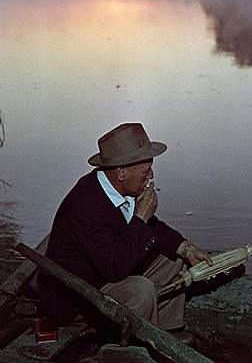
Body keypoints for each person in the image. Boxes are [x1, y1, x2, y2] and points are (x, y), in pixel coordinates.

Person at [37, 123, 212, 341]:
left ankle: (167, 333)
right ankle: (144, 346)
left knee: (174, 258)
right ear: (121, 172)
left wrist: (186, 248)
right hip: (77, 295)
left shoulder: (120, 188)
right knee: (141, 289)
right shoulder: (84, 206)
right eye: (146, 171)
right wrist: (141, 217)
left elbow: (150, 228)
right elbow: (115, 269)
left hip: (106, 270)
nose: (151, 176)